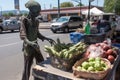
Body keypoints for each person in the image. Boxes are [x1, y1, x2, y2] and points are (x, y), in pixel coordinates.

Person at [19, 1, 55, 80]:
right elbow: (23, 35)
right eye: (37, 11)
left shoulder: (36, 21)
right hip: (28, 48)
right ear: (31, 10)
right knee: (27, 67)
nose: (38, 13)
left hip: (35, 46)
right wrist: (30, 43)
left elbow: (37, 34)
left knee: (41, 62)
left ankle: (39, 78)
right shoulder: (24, 20)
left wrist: (46, 38)